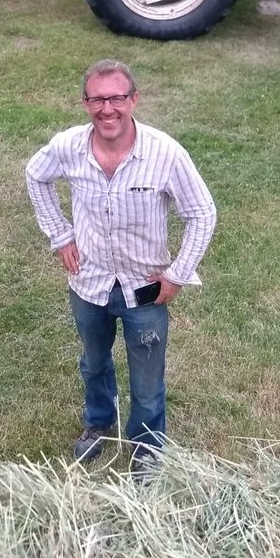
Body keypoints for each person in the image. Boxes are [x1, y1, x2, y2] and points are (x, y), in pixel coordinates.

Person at [25, 60, 217, 473]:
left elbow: (202, 213)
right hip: (88, 282)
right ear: (85, 103)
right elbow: (35, 175)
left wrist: (178, 273)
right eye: (97, 99)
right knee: (94, 361)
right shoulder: (69, 147)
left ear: (133, 100)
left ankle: (146, 450)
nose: (107, 109)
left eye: (116, 98)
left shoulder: (165, 154)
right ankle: (99, 424)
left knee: (147, 380)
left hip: (144, 288)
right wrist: (60, 234)